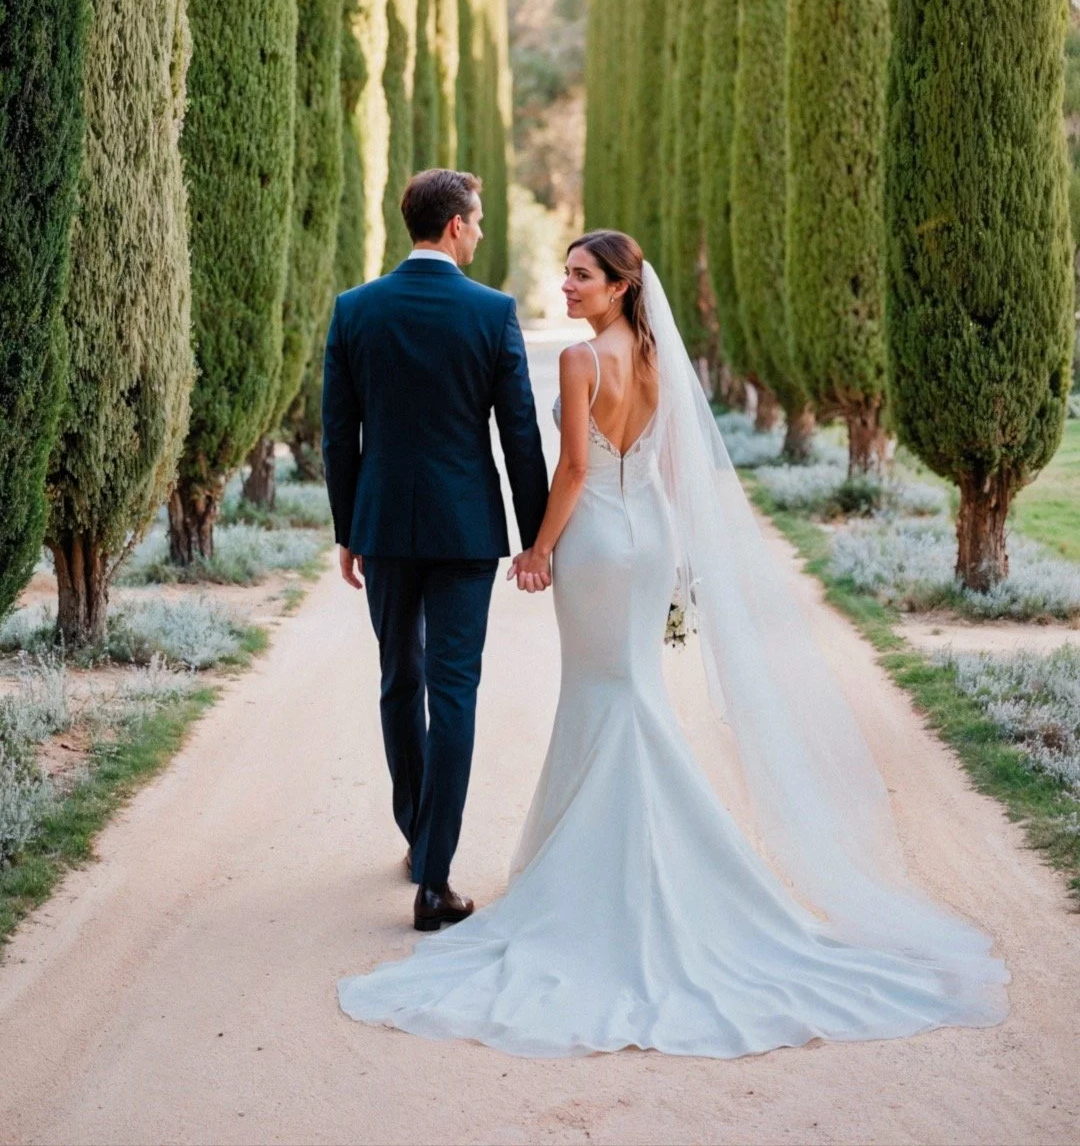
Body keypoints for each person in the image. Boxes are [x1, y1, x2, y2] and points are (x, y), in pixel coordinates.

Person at [337, 230, 1009, 1059]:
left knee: (602, 694)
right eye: (568, 272)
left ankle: (610, 878)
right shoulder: (656, 361)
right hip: (647, 535)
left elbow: (575, 471)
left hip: (594, 540)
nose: (567, 286)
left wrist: (539, 546)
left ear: (620, 287)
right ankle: (666, 868)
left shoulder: (587, 363)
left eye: (581, 275)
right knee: (634, 690)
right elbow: (674, 470)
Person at [322, 168, 548, 933]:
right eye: (477, 220)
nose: (481, 232)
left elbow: (337, 434)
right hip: (463, 531)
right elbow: (518, 434)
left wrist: (347, 528)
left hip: (384, 525)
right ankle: (436, 878)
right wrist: (536, 540)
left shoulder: (356, 310)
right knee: (453, 688)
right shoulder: (492, 313)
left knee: (398, 678)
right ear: (453, 225)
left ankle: (419, 842)